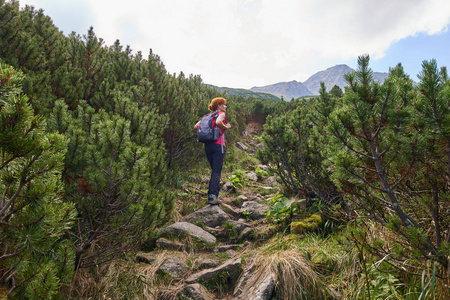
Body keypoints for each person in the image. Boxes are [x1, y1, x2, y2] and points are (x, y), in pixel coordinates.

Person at [194, 97, 231, 205]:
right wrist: (226, 127)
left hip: (207, 146)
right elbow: (219, 122)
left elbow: (196, 126)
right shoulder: (221, 114)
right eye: (224, 104)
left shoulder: (207, 116)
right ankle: (213, 197)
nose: (225, 106)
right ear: (219, 106)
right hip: (218, 145)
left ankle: (212, 194)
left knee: (214, 171)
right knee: (216, 171)